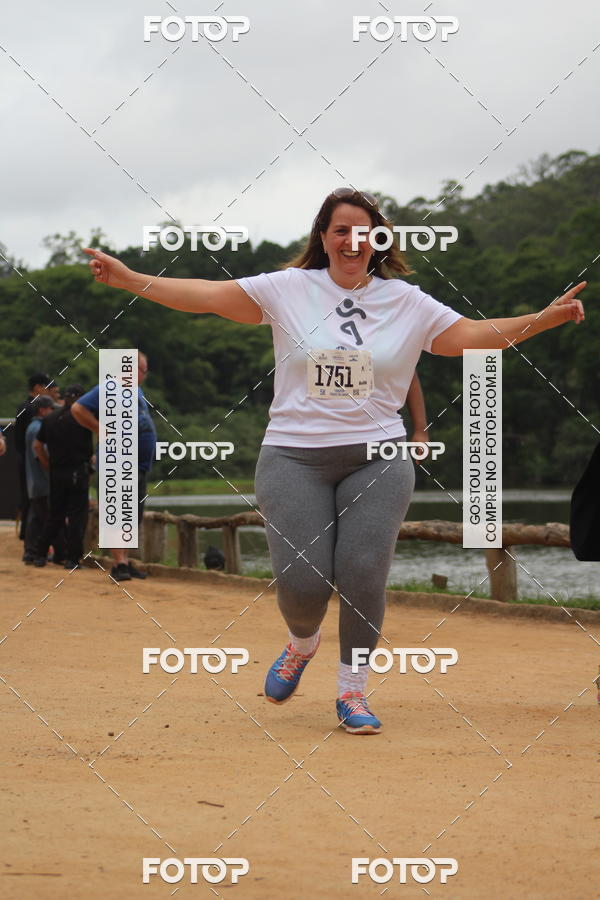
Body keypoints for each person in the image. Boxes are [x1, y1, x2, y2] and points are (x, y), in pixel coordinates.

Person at [84, 188, 587, 735]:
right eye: (340, 230)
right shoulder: (288, 289)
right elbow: (206, 294)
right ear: (323, 238)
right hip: (293, 456)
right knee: (302, 586)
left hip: (379, 457)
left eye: (364, 230)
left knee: (364, 573)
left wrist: (542, 319)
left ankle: (352, 690)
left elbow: (470, 336)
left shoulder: (408, 302)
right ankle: (303, 642)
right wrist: (133, 279)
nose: (353, 240)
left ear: (380, 240)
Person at [71, 352, 157, 582]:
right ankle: (118, 563)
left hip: (137, 462)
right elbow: (78, 409)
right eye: (144, 370)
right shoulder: (110, 387)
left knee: (132, 513)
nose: (145, 375)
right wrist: (102, 430)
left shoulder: (135, 390)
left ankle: (125, 561)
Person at [33, 385, 94, 569]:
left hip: (57, 472)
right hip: (78, 471)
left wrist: (47, 464)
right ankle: (73, 559)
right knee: (77, 516)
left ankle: (40, 554)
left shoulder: (51, 418)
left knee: (55, 515)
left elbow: (37, 446)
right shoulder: (83, 419)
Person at [14, 373, 51, 547]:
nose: (48, 391)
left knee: (30, 497)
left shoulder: (23, 406)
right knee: (36, 499)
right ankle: (32, 540)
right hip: (34, 458)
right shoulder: (31, 409)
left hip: (25, 457)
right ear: (37, 387)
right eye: (46, 387)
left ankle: (26, 536)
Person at [23, 395, 57, 564]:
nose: (53, 412)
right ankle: (38, 553)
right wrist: (52, 473)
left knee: (36, 519)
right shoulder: (38, 429)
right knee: (45, 519)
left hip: (34, 483)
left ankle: (30, 552)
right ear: (43, 410)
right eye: (51, 409)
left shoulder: (32, 427)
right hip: (42, 482)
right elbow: (42, 456)